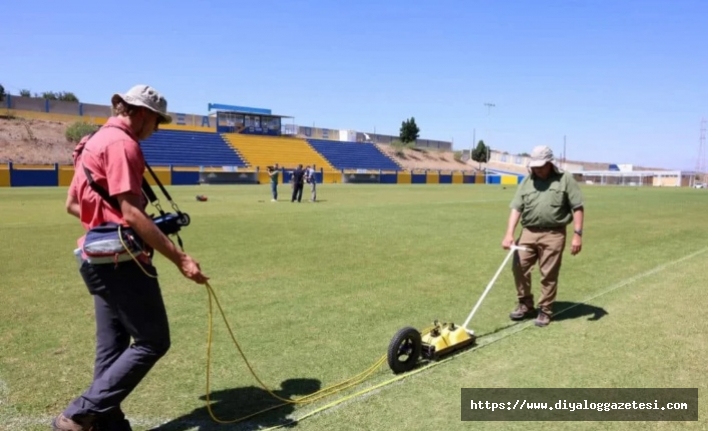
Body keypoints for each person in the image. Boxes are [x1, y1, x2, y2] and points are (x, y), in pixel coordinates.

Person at [54, 85, 209, 431]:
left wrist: (105, 225)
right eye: (156, 121)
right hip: (123, 262)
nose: (156, 129)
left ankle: (107, 423)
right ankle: (79, 414)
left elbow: (72, 205)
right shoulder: (123, 144)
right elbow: (133, 214)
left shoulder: (91, 142)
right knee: (153, 339)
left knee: (111, 348)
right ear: (141, 113)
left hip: (94, 258)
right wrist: (181, 259)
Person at [501, 145, 584, 327]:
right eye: (534, 166)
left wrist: (577, 234)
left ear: (549, 163)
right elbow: (516, 208)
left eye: (541, 166)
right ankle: (525, 304)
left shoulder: (565, 179)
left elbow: (577, 207)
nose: (537, 169)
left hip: (554, 233)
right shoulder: (527, 181)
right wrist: (509, 234)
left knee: (548, 274)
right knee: (519, 268)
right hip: (528, 232)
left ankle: (545, 309)